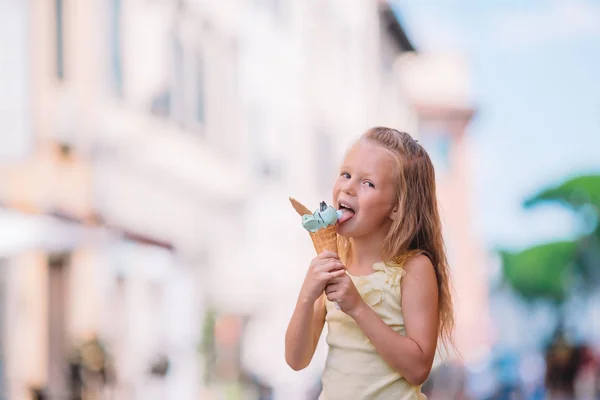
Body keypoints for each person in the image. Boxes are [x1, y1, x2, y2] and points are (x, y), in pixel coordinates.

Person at [285, 127, 455, 399]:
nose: (348, 187)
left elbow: (418, 369)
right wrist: (307, 296)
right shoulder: (333, 265)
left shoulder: (413, 268)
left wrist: (358, 307)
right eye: (346, 174)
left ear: (398, 206)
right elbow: (296, 359)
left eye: (368, 183)